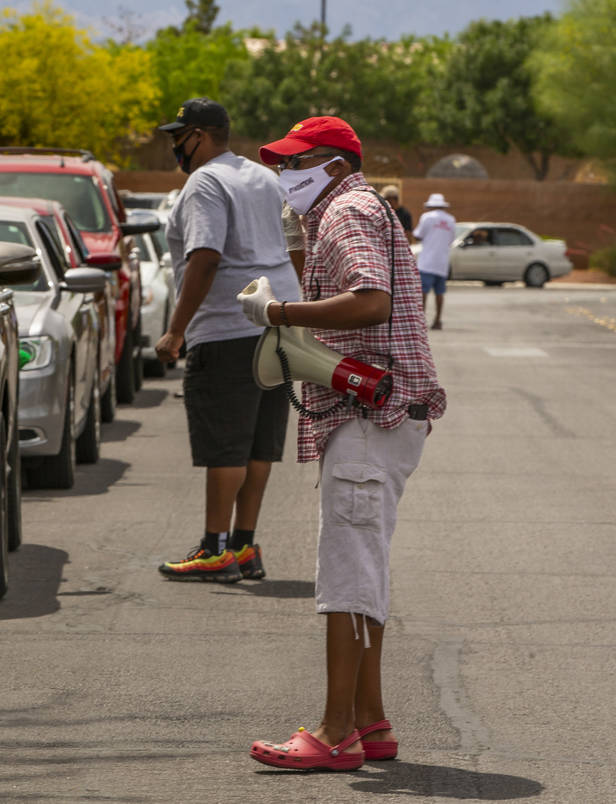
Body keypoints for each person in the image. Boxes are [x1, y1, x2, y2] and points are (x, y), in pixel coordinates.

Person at [236, 116, 446, 771]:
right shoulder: (355, 208)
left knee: (348, 577)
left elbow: (368, 301)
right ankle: (368, 720)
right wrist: (300, 249)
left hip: (367, 419)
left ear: (330, 165)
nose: (283, 176)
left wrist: (279, 315)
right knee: (366, 570)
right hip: (383, 414)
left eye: (294, 164)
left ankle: (333, 734)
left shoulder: (347, 209)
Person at [153, 97, 301, 583]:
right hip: (276, 323)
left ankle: (215, 549)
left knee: (227, 446)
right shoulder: (263, 175)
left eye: (179, 136)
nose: (175, 145)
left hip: (228, 326)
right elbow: (294, 243)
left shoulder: (206, 182)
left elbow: (206, 256)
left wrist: (176, 329)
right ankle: (245, 546)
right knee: (259, 444)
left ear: (198, 135)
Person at [412, 193, 456, 330]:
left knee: (423, 292)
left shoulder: (427, 217)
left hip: (427, 261)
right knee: (439, 292)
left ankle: (421, 320)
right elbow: (451, 240)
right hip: (442, 262)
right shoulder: (451, 220)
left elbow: (418, 235)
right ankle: (437, 320)